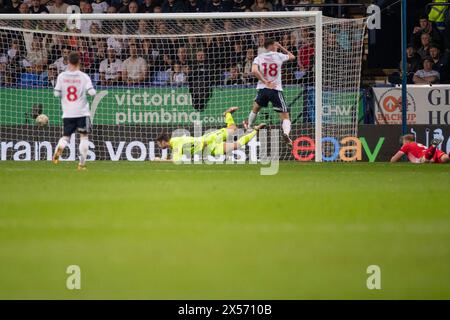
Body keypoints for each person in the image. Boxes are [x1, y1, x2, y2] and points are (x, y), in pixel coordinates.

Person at [156, 107, 265, 162]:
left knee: (233, 129)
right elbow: (176, 160)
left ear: (163, 142)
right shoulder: (174, 145)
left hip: (208, 139)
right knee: (237, 146)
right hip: (210, 148)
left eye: (158, 144)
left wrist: (159, 161)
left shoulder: (175, 142)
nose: (159, 146)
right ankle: (256, 130)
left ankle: (227, 114)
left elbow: (175, 161)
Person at [245, 39, 295, 147]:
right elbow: (292, 56)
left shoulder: (259, 57)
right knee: (285, 117)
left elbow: (254, 71)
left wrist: (264, 81)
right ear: (273, 45)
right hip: (276, 89)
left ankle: (249, 126)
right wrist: (281, 47)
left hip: (263, 88)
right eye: (275, 45)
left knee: (255, 108)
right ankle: (286, 134)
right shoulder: (279, 55)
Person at [52, 52, 97, 170]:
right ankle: (81, 164)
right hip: (82, 112)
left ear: (68, 62)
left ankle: (60, 148)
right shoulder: (84, 76)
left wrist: (64, 92)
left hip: (68, 113)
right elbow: (92, 92)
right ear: (79, 62)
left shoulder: (62, 76)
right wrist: (88, 91)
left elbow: (56, 93)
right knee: (84, 137)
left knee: (66, 137)